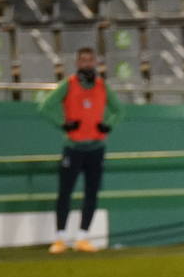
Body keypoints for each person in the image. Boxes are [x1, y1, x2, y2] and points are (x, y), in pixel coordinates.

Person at [39, 48, 122, 254]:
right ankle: (60, 237)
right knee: (65, 193)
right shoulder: (69, 84)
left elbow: (119, 110)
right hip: (73, 148)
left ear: (95, 63)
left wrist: (108, 125)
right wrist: (63, 124)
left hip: (96, 148)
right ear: (77, 63)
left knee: (91, 193)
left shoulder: (102, 86)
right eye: (83, 60)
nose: (87, 64)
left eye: (90, 60)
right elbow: (45, 107)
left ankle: (83, 237)